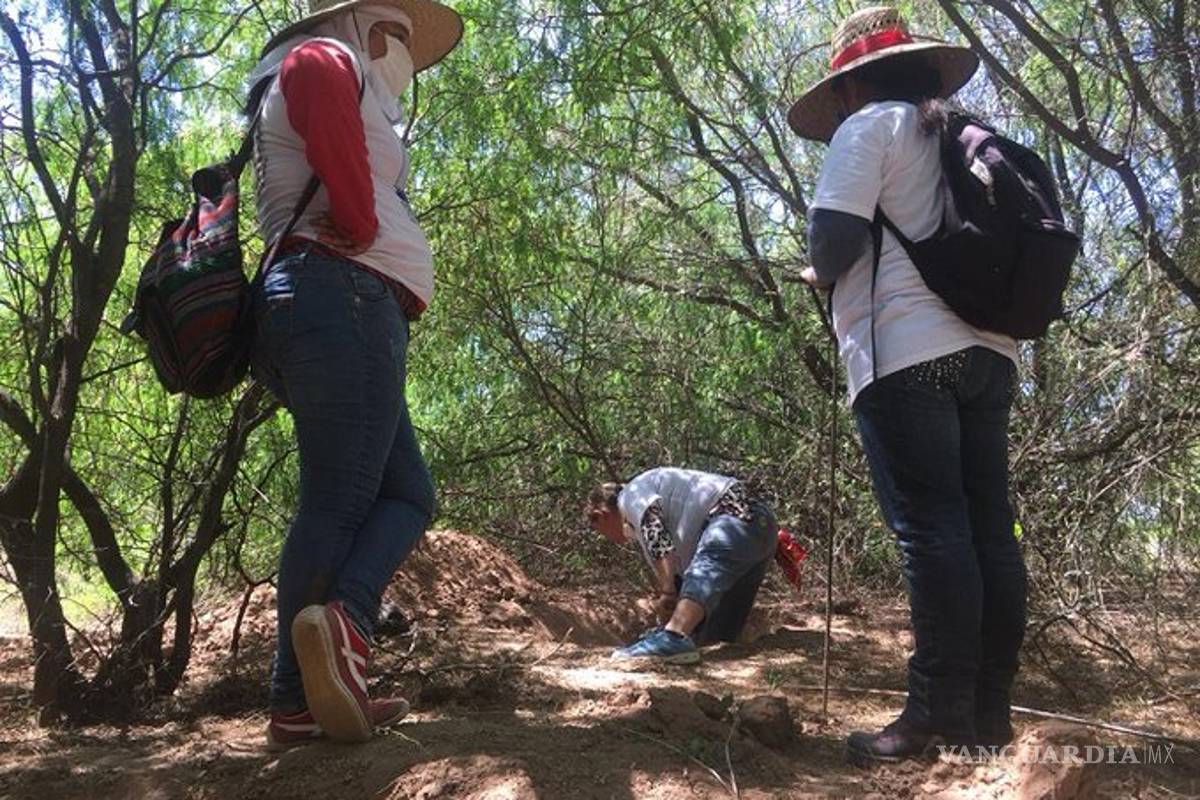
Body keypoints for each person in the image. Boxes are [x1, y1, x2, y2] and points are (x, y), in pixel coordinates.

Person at [788, 6, 1027, 764]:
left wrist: (816, 275)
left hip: (909, 353)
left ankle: (936, 716)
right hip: (990, 356)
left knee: (933, 531)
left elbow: (834, 243)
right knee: (989, 529)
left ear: (852, 81)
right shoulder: (956, 133)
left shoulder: (870, 129)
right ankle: (988, 715)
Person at [244, 0, 462, 748]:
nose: (400, 46)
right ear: (354, 21)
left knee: (407, 493)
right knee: (339, 500)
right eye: (391, 31)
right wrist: (366, 225)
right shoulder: (319, 59)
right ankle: (330, 647)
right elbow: (340, 167)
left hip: (341, 304)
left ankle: (311, 682)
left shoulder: (334, 70)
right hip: (342, 293)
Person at [588, 468, 779, 664]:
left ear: (600, 515)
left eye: (600, 531)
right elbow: (687, 575)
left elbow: (656, 533)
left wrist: (668, 591)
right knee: (716, 635)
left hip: (734, 519)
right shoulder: (660, 504)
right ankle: (682, 638)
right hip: (761, 526)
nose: (608, 538)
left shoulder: (631, 495)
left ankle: (674, 635)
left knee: (700, 580)